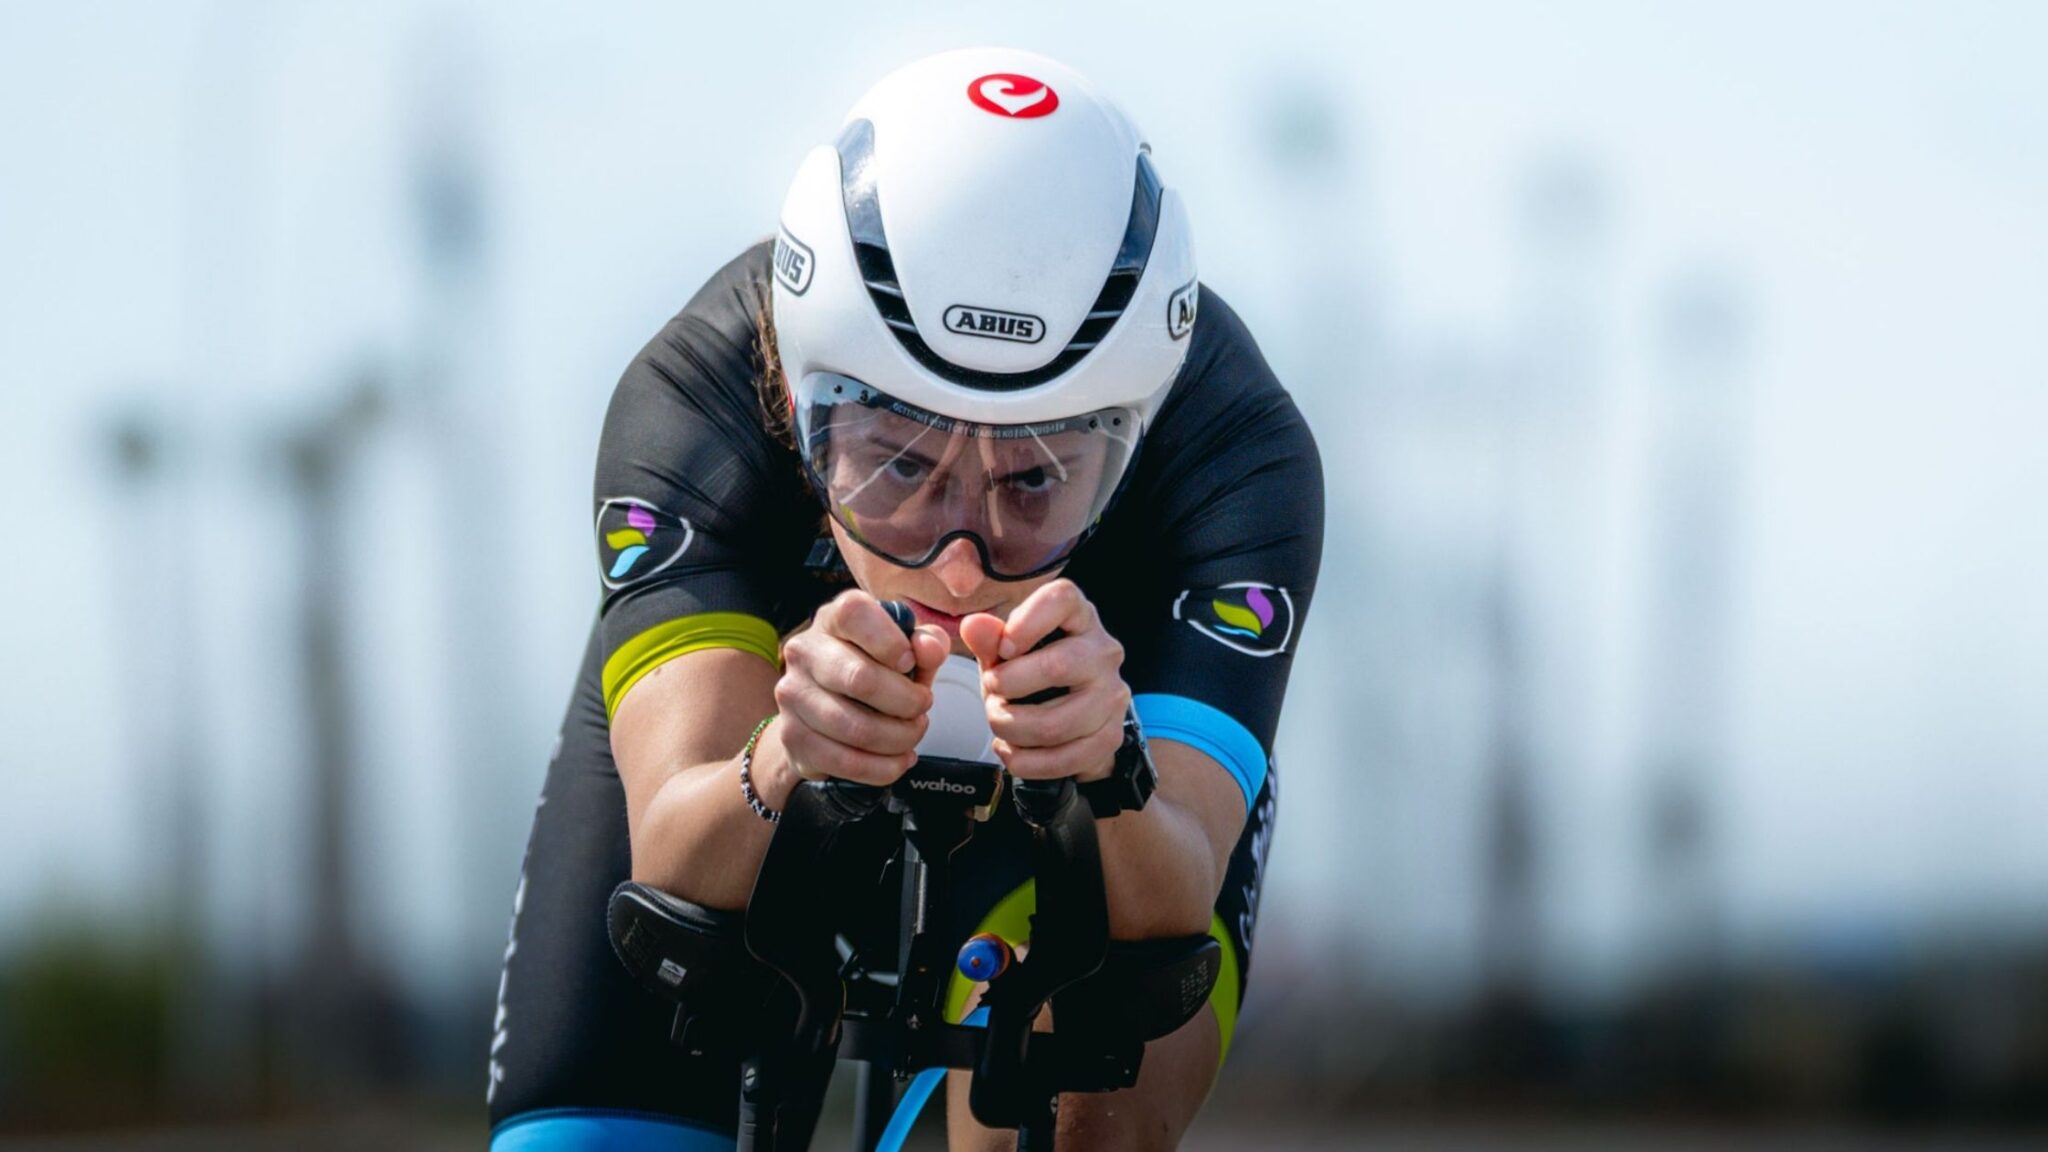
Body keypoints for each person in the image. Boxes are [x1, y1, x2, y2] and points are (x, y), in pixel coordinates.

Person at [486, 47, 1323, 1151]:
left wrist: (1106, 778)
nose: (959, 560)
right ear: (795, 396)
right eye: (893, 465)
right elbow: (679, 857)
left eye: (1034, 481)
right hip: (763, 742)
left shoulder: (1233, 452)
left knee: (1087, 1131)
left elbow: (1167, 902)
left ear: (1135, 425)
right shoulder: (696, 401)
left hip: (1074, 806)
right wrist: (782, 756)